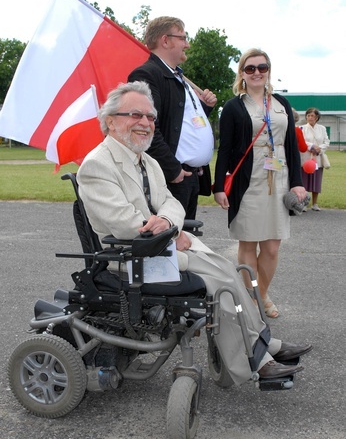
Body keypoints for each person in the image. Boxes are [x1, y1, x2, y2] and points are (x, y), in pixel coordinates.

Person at [77, 80, 312, 387]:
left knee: (230, 271)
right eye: (135, 115)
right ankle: (253, 362)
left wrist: (169, 226)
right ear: (110, 120)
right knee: (222, 284)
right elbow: (125, 224)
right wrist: (170, 232)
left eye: (150, 117)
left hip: (163, 248)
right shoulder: (97, 165)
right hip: (132, 258)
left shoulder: (146, 161)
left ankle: (262, 342)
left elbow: (171, 203)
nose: (145, 123)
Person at [213, 48, 307, 319]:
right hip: (248, 184)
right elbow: (226, 149)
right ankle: (253, 302)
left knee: (272, 247)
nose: (256, 73)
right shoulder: (233, 107)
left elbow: (291, 146)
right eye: (250, 68)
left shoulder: (281, 104)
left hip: (279, 181)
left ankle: (259, 295)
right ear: (242, 73)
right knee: (248, 246)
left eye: (262, 68)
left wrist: (298, 183)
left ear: (268, 71)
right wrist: (219, 186)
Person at [127, 16, 217, 220]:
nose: (188, 44)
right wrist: (173, 170)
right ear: (165, 40)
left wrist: (205, 107)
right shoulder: (147, 75)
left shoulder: (177, 76)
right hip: (172, 179)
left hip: (189, 177)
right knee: (171, 245)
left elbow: (180, 122)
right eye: (183, 38)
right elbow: (145, 128)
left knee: (186, 244)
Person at [300, 107, 330, 211]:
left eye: (312, 116)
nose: (310, 117)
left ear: (317, 117)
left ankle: (315, 204)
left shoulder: (322, 128)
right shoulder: (302, 128)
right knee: (304, 181)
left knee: (316, 181)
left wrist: (319, 148)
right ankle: (304, 204)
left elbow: (326, 142)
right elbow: (302, 141)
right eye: (308, 115)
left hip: (318, 158)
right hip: (306, 158)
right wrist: (312, 146)